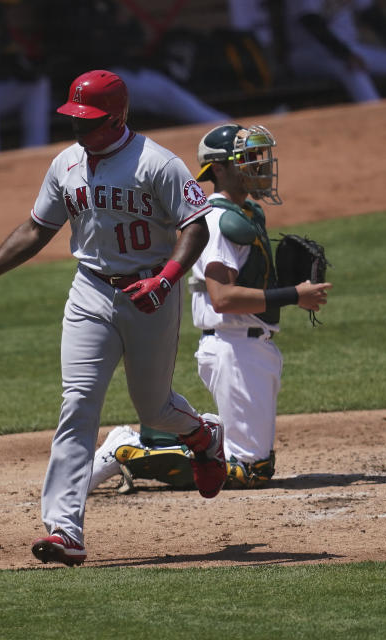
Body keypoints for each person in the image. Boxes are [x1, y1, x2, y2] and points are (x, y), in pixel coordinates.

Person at [0, 70, 227, 567]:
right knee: (78, 404)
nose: (78, 131)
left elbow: (193, 227)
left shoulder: (157, 164)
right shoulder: (66, 163)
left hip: (149, 291)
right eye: (74, 119)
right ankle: (64, 530)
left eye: (89, 122)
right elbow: (35, 228)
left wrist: (166, 279)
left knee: (153, 408)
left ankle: (202, 435)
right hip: (89, 291)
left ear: (118, 118)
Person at [90, 124, 331, 493]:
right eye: (247, 159)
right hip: (234, 345)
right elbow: (223, 297)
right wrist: (293, 295)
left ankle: (164, 437)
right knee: (248, 470)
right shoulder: (217, 222)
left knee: (251, 463)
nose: (259, 166)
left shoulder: (245, 214)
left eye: (258, 157)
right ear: (218, 168)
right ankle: (130, 448)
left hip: (248, 345)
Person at [48, 0, 230, 126]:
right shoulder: (67, 8)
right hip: (89, 83)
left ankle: (220, 123)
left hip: (118, 73)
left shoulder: (104, 6)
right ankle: (221, 124)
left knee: (161, 86)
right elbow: (90, 51)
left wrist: (118, 34)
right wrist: (115, 37)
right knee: (161, 90)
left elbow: (136, 37)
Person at [283, 0, 386, 102]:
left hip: (351, 49)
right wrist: (345, 55)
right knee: (354, 72)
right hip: (308, 53)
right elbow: (311, 23)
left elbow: (372, 14)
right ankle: (378, 121)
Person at [0, 0, 52, 153]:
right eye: (11, 8)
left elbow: (29, 65)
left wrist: (23, 71)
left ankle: (37, 149)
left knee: (39, 84)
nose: (19, 12)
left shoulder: (20, 32)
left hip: (2, 92)